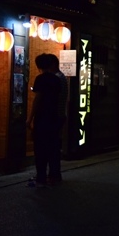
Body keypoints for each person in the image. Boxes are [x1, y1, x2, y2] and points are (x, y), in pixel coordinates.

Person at [26, 54, 61, 187]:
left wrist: (30, 118)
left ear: (39, 65)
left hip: (42, 118)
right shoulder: (57, 80)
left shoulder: (40, 79)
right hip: (53, 117)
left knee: (40, 149)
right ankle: (54, 175)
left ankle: (41, 177)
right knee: (52, 148)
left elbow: (37, 99)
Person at [46, 53, 68, 184]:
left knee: (52, 146)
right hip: (60, 116)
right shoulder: (62, 77)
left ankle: (53, 174)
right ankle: (55, 174)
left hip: (55, 116)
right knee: (54, 146)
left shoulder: (57, 78)